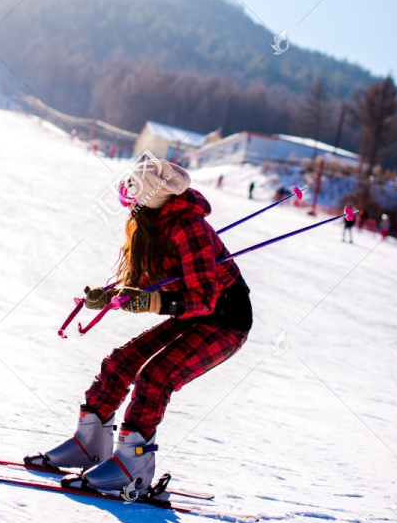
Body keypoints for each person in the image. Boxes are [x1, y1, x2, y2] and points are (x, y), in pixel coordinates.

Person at [26, 159, 253, 496]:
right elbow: (148, 280)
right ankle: (89, 443)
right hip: (191, 315)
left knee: (156, 376)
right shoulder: (150, 219)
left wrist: (156, 303)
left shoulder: (189, 227)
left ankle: (134, 466)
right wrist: (109, 295)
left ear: (151, 192)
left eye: (133, 185)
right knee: (121, 362)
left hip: (224, 320)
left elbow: (205, 297)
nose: (126, 191)